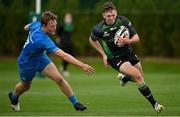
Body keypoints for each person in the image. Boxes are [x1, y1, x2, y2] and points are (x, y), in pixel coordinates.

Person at [8, 11, 95, 112]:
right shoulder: (43, 40)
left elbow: (26, 27)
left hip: (41, 58)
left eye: (55, 25)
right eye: (52, 26)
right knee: (26, 86)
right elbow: (64, 56)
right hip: (26, 63)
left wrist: (30, 33)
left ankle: (75, 103)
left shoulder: (36, 24)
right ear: (44, 26)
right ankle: (14, 97)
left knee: (59, 79)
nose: (54, 28)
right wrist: (82, 65)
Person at [89, 1, 164, 113]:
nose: (111, 18)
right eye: (108, 16)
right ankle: (155, 104)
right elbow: (92, 40)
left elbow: (137, 37)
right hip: (115, 58)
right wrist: (104, 55)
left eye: (113, 15)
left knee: (140, 77)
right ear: (103, 15)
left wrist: (127, 41)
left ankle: (124, 78)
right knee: (138, 76)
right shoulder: (99, 29)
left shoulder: (123, 21)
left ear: (116, 13)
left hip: (129, 53)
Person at [56, 12, 74, 77]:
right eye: (67, 17)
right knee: (65, 56)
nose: (68, 18)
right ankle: (64, 70)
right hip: (63, 42)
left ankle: (63, 66)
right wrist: (58, 38)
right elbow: (58, 32)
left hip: (69, 42)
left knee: (72, 55)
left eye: (69, 17)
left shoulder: (71, 25)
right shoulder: (62, 24)